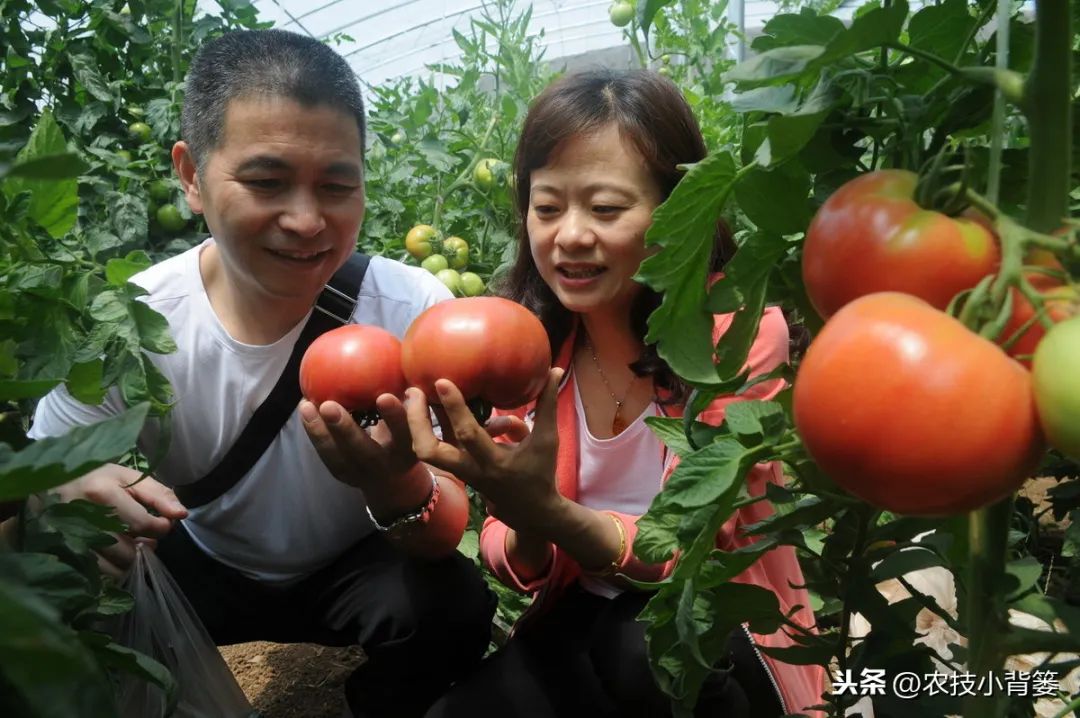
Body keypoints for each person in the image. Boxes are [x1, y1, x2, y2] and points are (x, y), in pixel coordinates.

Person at [26, 29, 495, 718]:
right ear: (190, 174)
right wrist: (67, 488)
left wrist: (393, 482)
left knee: (450, 605)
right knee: (69, 587)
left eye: (338, 186)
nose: (307, 221)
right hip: (201, 564)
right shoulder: (134, 324)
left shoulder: (415, 310)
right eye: (266, 181)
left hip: (355, 562)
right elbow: (39, 472)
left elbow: (444, 525)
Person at [395, 69, 825, 716]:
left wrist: (547, 511)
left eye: (605, 208)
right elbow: (507, 555)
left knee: (645, 648)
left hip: (716, 631)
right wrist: (522, 519)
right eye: (547, 207)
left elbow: (689, 546)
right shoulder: (526, 343)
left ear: (680, 209)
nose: (569, 235)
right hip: (579, 618)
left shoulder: (737, 336)